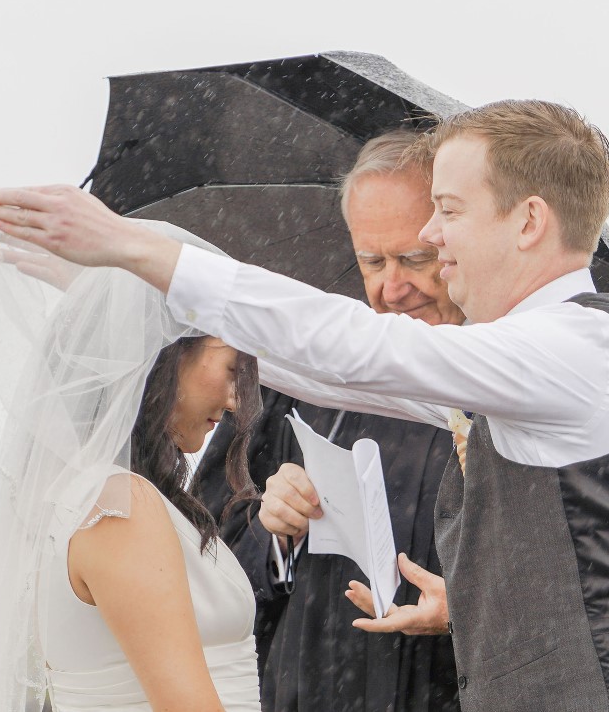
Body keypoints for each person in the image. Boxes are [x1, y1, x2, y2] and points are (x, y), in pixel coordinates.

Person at [0, 98, 609, 711]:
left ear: (528, 222)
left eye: (449, 211)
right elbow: (346, 377)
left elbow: (362, 348)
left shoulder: (579, 349)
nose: (431, 234)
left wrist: (134, 246)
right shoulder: (536, 362)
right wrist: (127, 303)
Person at [0, 213, 265, 711]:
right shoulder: (118, 508)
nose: (236, 400)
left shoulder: (87, 496)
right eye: (229, 367)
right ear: (166, 355)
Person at [193, 130, 462, 711]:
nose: (392, 288)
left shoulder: (515, 389)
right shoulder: (303, 371)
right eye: (371, 261)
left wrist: (462, 612)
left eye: (416, 259)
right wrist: (273, 530)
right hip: (309, 688)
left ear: (459, 240)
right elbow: (201, 555)